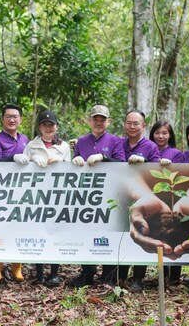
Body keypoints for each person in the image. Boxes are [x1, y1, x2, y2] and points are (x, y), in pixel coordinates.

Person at [68, 104, 125, 288]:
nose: (98, 122)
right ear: (89, 120)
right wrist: (75, 159)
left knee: (108, 233)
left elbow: (121, 163)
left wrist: (103, 158)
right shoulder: (82, 141)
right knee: (85, 232)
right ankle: (87, 272)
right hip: (86, 196)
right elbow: (75, 165)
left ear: (108, 121)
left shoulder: (116, 141)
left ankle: (109, 274)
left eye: (102, 119)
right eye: (95, 119)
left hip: (109, 195)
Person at [23, 110, 71, 286]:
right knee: (38, 231)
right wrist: (32, 159)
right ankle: (40, 273)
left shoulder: (64, 147)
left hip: (57, 194)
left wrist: (60, 162)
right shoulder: (32, 145)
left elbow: (69, 170)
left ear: (56, 127)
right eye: (45, 125)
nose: (48, 128)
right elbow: (23, 166)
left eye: (51, 125)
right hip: (37, 193)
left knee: (55, 231)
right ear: (39, 127)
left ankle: (55, 273)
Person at [0, 104, 29, 282]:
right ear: (2, 119)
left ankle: (16, 268)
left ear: (20, 119)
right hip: (0, 191)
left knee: (18, 227)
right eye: (8, 116)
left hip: (22, 190)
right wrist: (12, 158)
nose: (12, 120)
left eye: (15, 116)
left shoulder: (25, 139)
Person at [120, 109, 160, 293]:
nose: (132, 126)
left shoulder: (151, 146)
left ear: (143, 126)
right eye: (129, 123)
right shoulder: (119, 143)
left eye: (136, 123)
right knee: (122, 235)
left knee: (142, 234)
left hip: (143, 200)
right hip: (120, 197)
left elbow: (156, 171)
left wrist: (144, 163)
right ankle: (120, 275)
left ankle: (138, 278)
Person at [149, 120, 183, 284]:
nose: (160, 136)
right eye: (157, 133)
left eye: (164, 133)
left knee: (174, 234)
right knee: (158, 235)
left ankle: (175, 276)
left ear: (170, 135)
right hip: (152, 199)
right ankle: (161, 273)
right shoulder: (148, 150)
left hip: (171, 198)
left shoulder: (176, 153)